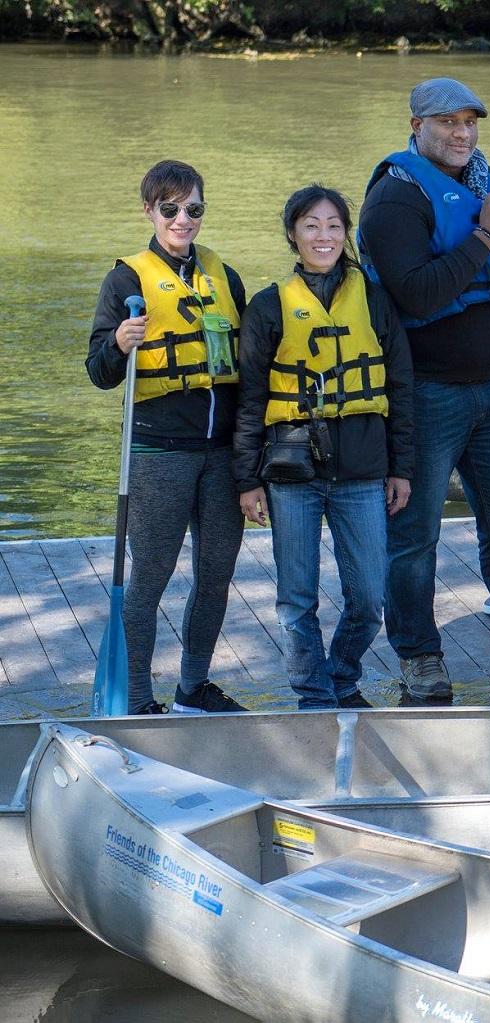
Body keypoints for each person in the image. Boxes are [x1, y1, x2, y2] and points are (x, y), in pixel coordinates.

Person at [358, 77, 490, 703]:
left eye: (469, 122)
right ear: (416, 127)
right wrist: (485, 235)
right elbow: (418, 293)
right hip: (427, 394)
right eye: (446, 122)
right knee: (415, 537)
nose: (460, 134)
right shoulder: (395, 199)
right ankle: (420, 657)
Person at [232, 185, 415, 709]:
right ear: (293, 234)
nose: (324, 236)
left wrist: (401, 468)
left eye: (334, 225)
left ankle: (339, 673)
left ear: (346, 233)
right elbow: (250, 401)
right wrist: (247, 479)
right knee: (297, 599)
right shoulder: (269, 307)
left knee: (369, 600)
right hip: (292, 473)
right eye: (311, 225)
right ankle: (315, 695)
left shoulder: (375, 301)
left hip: (362, 471)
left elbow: (400, 388)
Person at [85, 159, 248, 716]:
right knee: (150, 576)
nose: (184, 219)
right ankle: (134, 697)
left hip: (221, 452)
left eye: (194, 209)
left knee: (217, 572)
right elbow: (99, 372)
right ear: (150, 211)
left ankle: (193, 687)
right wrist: (120, 344)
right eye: (171, 209)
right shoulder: (126, 280)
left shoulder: (224, 276)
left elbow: (247, 366)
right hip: (158, 452)